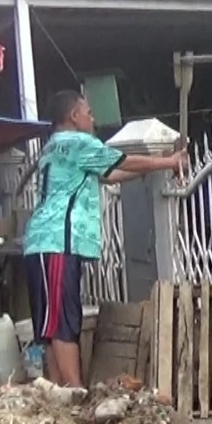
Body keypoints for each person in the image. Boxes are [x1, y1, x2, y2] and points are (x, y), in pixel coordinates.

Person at [24, 90, 186, 387]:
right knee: (63, 323)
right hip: (57, 241)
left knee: (51, 325)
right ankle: (74, 393)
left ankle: (58, 393)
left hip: (44, 242)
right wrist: (168, 161)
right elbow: (124, 160)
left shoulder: (54, 147)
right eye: (88, 111)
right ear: (74, 116)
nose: (93, 117)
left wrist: (147, 172)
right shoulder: (79, 143)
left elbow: (110, 174)